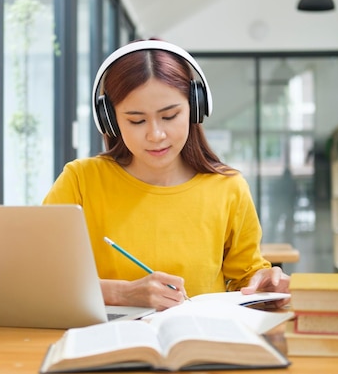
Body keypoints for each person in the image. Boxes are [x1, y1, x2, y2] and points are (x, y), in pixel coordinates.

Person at [43, 39, 290, 311]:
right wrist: (121, 293)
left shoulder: (228, 188)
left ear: (195, 108)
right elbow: (40, 274)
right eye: (136, 120)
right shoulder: (81, 180)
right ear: (110, 120)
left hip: (200, 343)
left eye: (170, 116)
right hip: (107, 343)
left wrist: (264, 287)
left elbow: (245, 278)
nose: (156, 135)